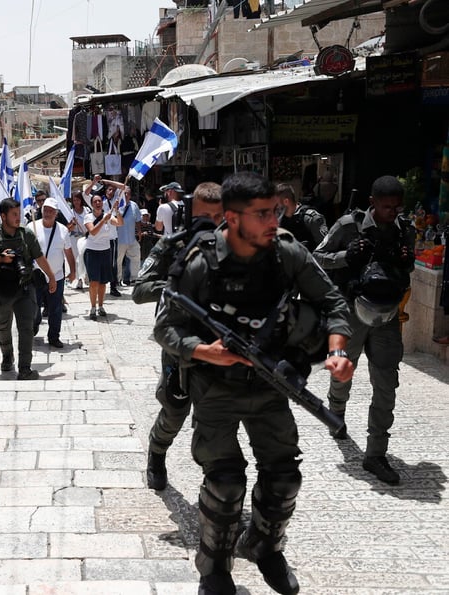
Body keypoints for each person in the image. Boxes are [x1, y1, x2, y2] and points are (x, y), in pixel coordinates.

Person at [154, 172, 353, 595]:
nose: (273, 220)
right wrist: (204, 350)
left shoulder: (286, 253)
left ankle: (264, 547)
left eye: (276, 211)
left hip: (269, 384)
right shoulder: (200, 262)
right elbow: (166, 329)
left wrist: (337, 351)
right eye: (262, 213)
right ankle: (215, 568)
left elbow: (332, 300)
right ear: (231, 217)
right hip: (215, 387)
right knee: (225, 483)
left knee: (284, 478)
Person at [312, 175, 416, 484]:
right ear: (373, 203)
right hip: (352, 314)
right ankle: (336, 413)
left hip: (387, 318)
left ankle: (376, 454)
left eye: (397, 208)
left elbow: (407, 268)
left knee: (386, 384)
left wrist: (406, 261)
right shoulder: (348, 225)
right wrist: (347, 256)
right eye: (386, 208)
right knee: (343, 371)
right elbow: (318, 257)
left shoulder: (405, 230)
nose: (392, 213)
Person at [133, 181, 223, 490]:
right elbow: (139, 290)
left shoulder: (232, 247)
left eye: (216, 217)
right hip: (178, 342)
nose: (209, 223)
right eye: (203, 215)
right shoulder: (172, 244)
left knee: (214, 419)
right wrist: (176, 286)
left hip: (218, 343)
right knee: (175, 410)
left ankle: (216, 483)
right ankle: (156, 454)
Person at [0, 198, 56, 380]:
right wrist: (0, 258)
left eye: (19, 213)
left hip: (24, 288)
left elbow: (39, 257)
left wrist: (51, 276)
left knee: (26, 328)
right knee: (3, 327)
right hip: (1, 290)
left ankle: (25, 368)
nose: (18, 217)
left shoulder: (26, 235)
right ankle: (7, 357)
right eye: (14, 214)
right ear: (3, 216)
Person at [28, 197, 77, 348]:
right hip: (36, 275)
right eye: (45, 210)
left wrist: (73, 270)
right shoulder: (32, 227)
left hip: (57, 275)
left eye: (51, 211)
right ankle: (33, 326)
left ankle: (54, 336)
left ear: (56, 213)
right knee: (34, 307)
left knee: (55, 308)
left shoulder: (63, 230)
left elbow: (68, 252)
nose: (47, 213)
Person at [83, 193, 122, 320]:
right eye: (95, 201)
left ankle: (101, 306)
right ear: (92, 204)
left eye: (99, 201)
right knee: (94, 281)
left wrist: (117, 211)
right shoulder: (88, 217)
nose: (98, 203)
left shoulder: (108, 216)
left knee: (103, 282)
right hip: (92, 251)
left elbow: (120, 223)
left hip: (105, 251)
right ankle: (93, 307)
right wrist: (103, 220)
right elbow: (93, 232)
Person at [104, 182, 142, 287]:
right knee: (118, 261)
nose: (126, 196)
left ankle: (134, 278)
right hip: (119, 239)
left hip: (131, 238)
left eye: (128, 194)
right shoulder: (114, 204)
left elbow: (138, 219)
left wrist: (139, 231)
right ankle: (118, 280)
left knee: (136, 257)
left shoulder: (134, 205)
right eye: (124, 193)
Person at [275, 183, 327, 251]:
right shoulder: (279, 220)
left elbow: (324, 249)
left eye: (276, 204)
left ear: (286, 201)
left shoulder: (310, 219)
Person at [69, 191, 91, 289]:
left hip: (86, 237)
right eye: (74, 200)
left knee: (86, 258)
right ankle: (79, 280)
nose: (76, 202)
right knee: (77, 260)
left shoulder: (87, 210)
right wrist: (73, 224)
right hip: (75, 239)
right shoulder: (70, 212)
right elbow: (68, 228)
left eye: (78, 200)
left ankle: (87, 277)